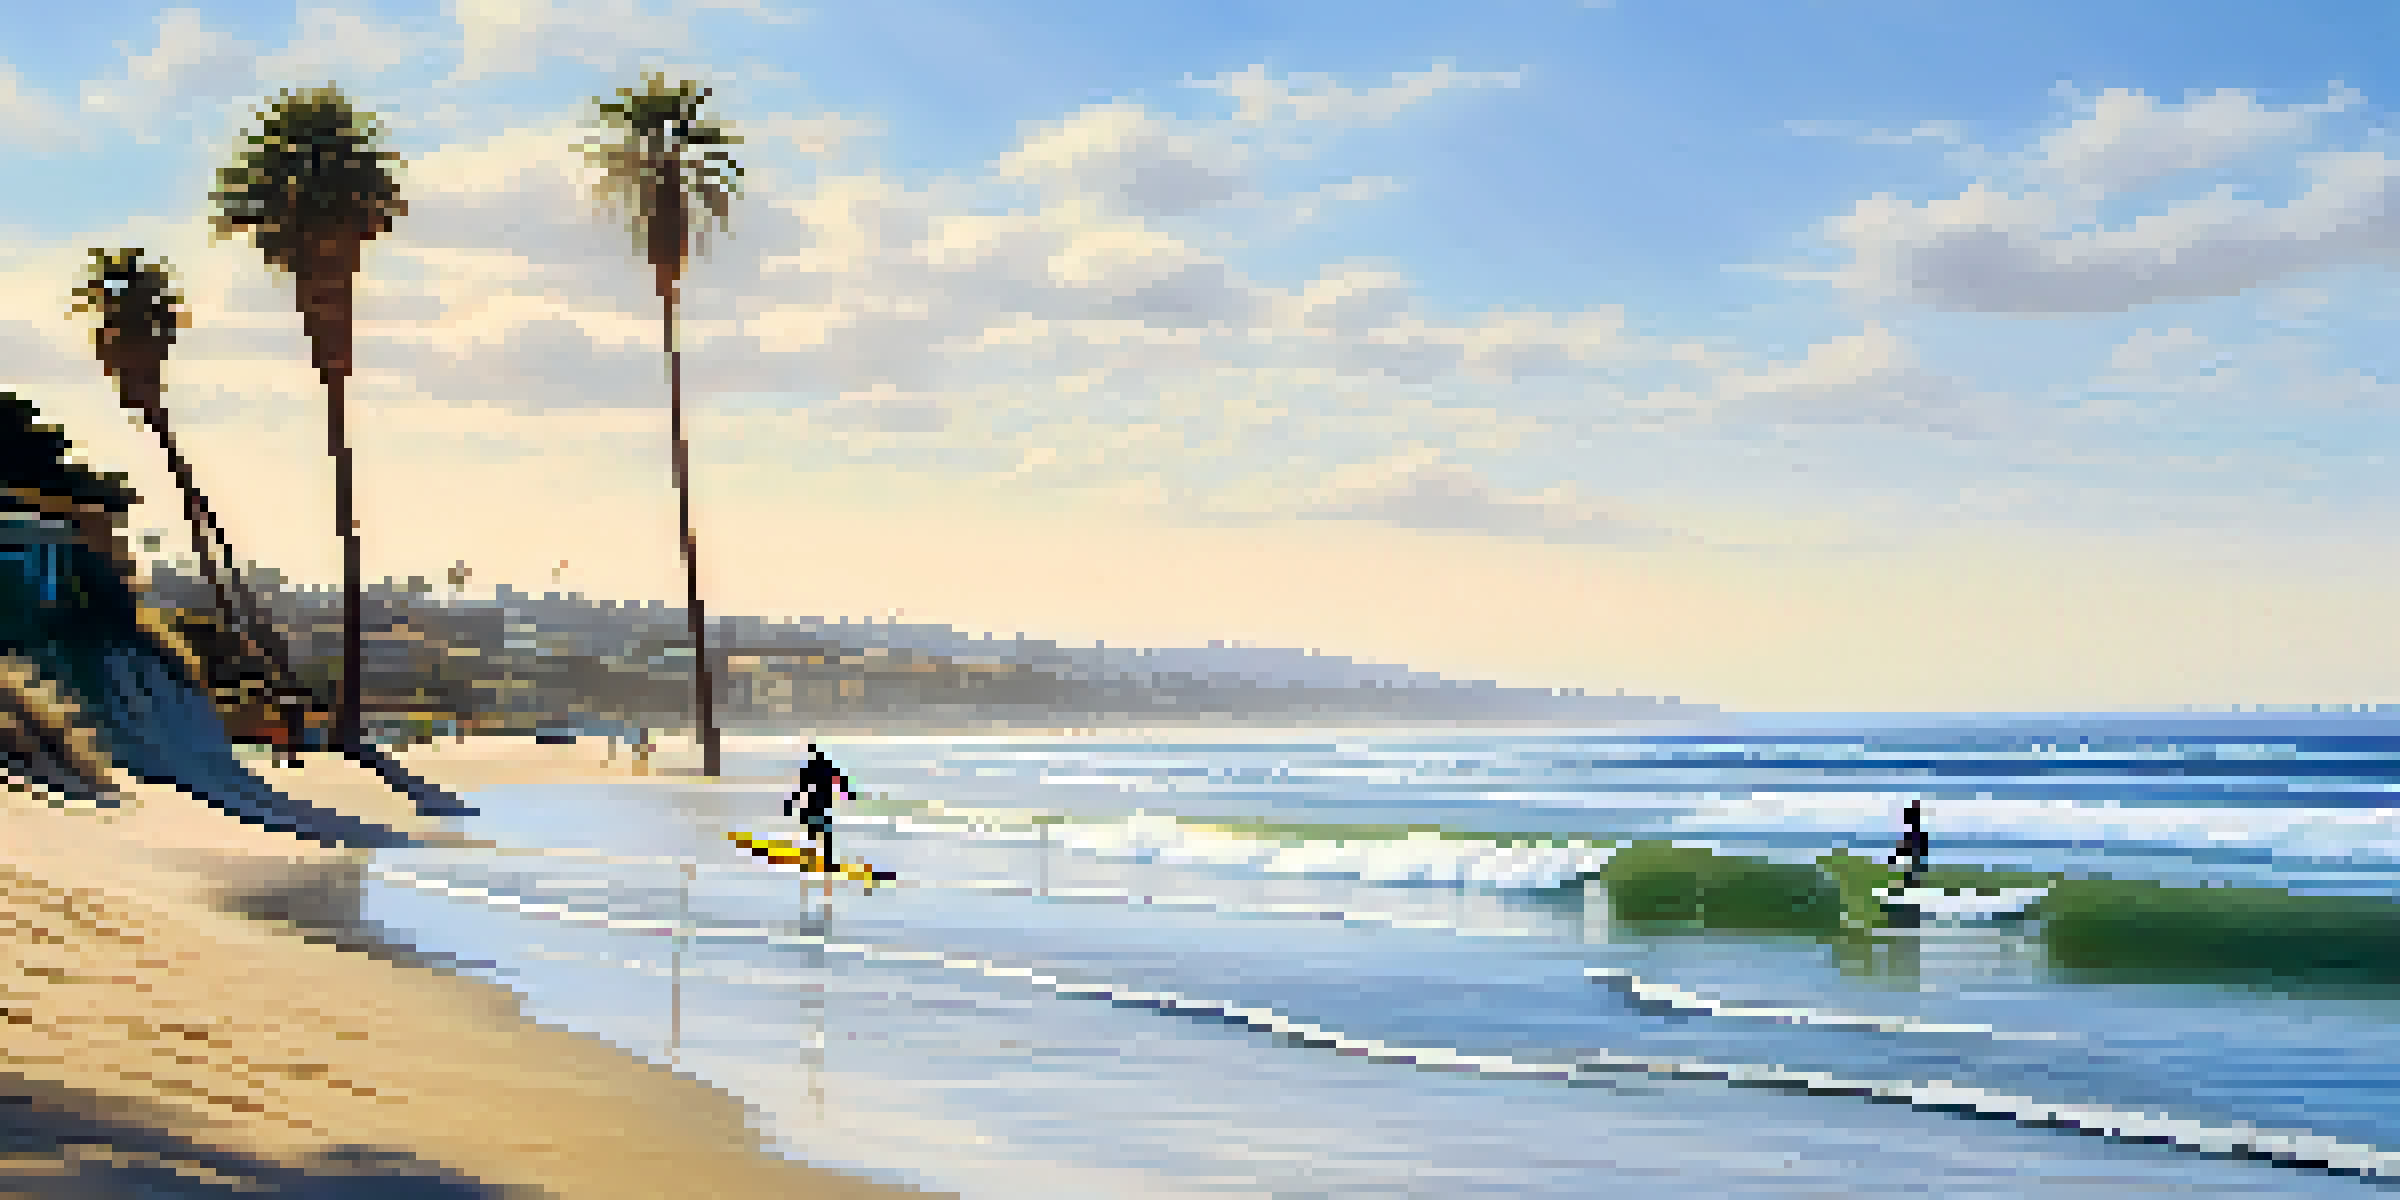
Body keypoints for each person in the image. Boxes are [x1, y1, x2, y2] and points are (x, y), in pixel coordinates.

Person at [786, 743, 851, 873]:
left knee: (815, 832)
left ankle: (817, 860)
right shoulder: (823, 766)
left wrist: (790, 803)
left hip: (814, 805)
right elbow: (841, 781)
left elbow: (801, 787)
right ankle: (822, 861)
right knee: (820, 833)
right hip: (819, 805)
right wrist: (846, 794)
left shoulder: (812, 766)